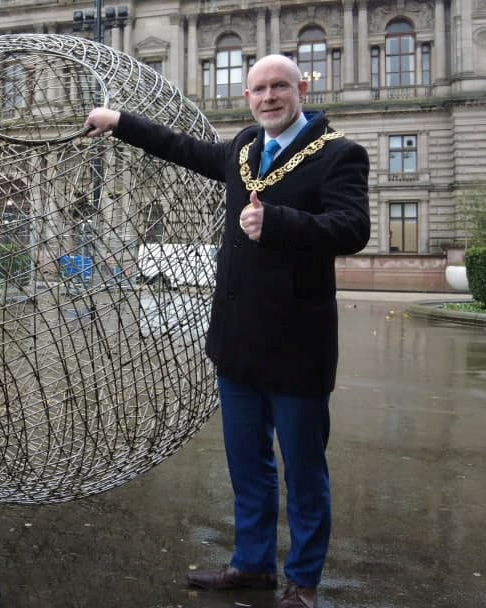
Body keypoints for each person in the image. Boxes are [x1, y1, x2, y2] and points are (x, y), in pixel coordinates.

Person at [84, 55, 370, 608]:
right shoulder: (243, 147)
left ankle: (304, 581)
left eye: (279, 87)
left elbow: (353, 228)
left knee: (304, 472)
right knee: (248, 464)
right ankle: (252, 565)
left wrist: (279, 223)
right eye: (259, 89)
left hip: (297, 346)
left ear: (301, 89)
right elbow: (188, 151)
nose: (268, 97)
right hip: (237, 342)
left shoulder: (339, 154)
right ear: (248, 96)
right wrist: (121, 121)